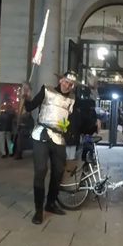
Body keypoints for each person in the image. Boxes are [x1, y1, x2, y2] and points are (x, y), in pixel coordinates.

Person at [22, 70, 77, 225]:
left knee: (58, 172)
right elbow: (31, 107)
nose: (68, 85)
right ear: (60, 81)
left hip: (59, 138)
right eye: (66, 81)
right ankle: (39, 210)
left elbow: (71, 119)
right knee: (40, 170)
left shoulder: (72, 99)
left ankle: (50, 204)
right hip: (41, 134)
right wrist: (26, 96)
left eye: (71, 84)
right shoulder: (47, 90)